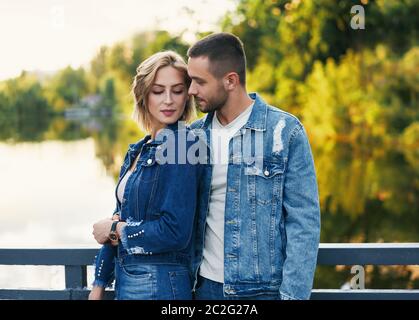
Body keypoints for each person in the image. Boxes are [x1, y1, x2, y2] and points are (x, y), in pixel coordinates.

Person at [187, 33, 321, 300]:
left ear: (230, 81)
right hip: (203, 290)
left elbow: (304, 221)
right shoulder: (193, 137)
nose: (191, 90)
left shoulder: (285, 131)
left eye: (199, 82)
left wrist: (292, 296)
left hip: (262, 293)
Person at [89, 50, 205, 300]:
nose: (168, 100)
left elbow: (175, 232)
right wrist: (98, 284)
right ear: (143, 95)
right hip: (127, 282)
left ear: (187, 95)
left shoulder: (183, 146)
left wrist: (116, 230)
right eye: (157, 90)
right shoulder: (138, 150)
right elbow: (119, 217)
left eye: (177, 90)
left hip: (162, 286)